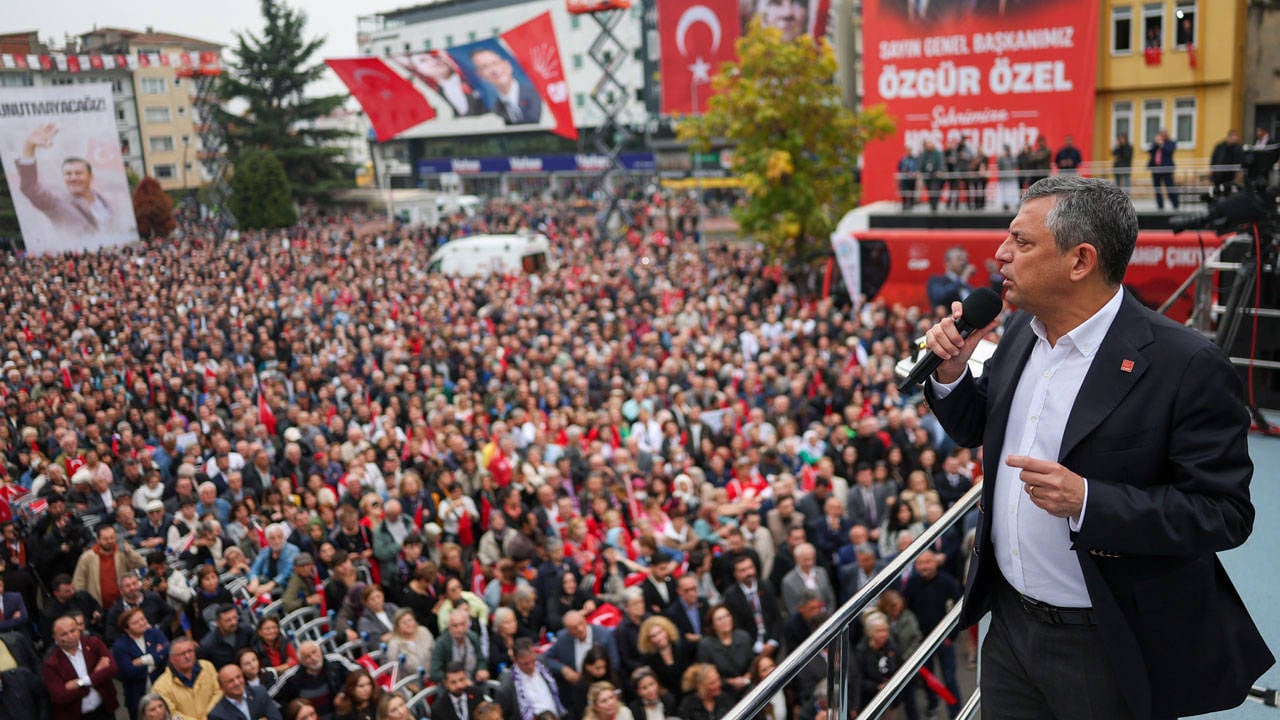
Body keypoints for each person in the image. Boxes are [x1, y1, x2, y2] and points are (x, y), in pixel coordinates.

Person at [922, 175, 1273, 719]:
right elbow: (978, 426)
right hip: (1010, 628)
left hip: (1106, 641)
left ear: (1080, 260)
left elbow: (1224, 514)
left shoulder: (1185, 365)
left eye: (1022, 241)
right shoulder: (1018, 333)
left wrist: (1090, 501)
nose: (1001, 254)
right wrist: (949, 375)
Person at [15, 123, 121, 235]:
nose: (73, 178)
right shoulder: (57, 203)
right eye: (68, 174)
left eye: (78, 173)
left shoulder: (107, 203)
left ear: (90, 177)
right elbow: (30, 187)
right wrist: (28, 147)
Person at [44, 614, 120, 720]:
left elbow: (113, 668)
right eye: (64, 634)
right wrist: (96, 674)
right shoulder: (51, 663)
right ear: (55, 637)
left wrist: (80, 682)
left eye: (73, 631)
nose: (70, 636)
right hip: (76, 715)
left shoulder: (94, 643)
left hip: (104, 710)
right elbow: (60, 695)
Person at [112, 608, 171, 720]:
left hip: (161, 687)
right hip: (137, 694)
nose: (142, 623)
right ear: (126, 629)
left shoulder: (154, 633)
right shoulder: (120, 646)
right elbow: (128, 671)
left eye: (142, 619)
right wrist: (156, 660)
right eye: (136, 622)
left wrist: (144, 660)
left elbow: (168, 651)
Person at [72, 524, 146, 609]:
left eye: (112, 538)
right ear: (98, 540)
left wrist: (129, 552)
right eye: (105, 539)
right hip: (98, 606)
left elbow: (140, 563)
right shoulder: (87, 558)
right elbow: (79, 583)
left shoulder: (122, 553)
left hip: (122, 604)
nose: (110, 541)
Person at [495, 637, 567, 720]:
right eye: (525, 664)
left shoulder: (542, 662)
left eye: (533, 660)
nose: (531, 666)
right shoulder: (507, 684)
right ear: (514, 660)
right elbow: (504, 714)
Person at [151, 636, 221, 720]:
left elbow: (219, 692)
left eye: (190, 651)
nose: (187, 656)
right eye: (182, 654)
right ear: (171, 659)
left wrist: (207, 716)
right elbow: (171, 714)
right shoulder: (160, 686)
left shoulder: (207, 666)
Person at [277, 641, 350, 720]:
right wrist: (293, 711)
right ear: (302, 662)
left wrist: (343, 692)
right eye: (307, 657)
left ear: (320, 650)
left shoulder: (335, 661)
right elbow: (270, 697)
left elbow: (358, 673)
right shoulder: (291, 676)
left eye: (314, 652)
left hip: (341, 714)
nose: (313, 658)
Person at [400, 52, 486, 117]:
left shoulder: (477, 78)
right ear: (418, 69)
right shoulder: (434, 97)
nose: (433, 61)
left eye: (436, 56)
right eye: (423, 60)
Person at [470, 48, 542, 125]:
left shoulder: (538, 93)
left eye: (495, 63)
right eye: (485, 67)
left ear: (508, 65)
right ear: (480, 75)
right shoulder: (493, 107)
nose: (494, 70)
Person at [209, 664, 284, 720]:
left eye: (238, 677)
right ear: (221, 687)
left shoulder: (260, 693)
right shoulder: (216, 715)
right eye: (230, 681)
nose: (237, 683)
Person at [1147, 128, 1179, 209]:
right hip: (1156, 168)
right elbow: (1150, 151)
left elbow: (1169, 151)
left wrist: (1161, 144)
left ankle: (1175, 203)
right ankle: (1160, 205)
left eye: (1163, 134)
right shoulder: (1156, 144)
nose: (1162, 136)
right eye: (1160, 134)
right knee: (1157, 188)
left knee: (1170, 186)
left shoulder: (1171, 143)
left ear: (1166, 135)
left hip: (1166, 169)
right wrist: (1156, 143)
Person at [1210, 129, 1244, 196]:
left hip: (1230, 174)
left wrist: (1239, 171)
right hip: (1218, 172)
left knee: (1228, 190)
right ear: (1229, 137)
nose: (1236, 138)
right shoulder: (1220, 146)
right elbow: (1214, 157)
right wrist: (1212, 168)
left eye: (1236, 137)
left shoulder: (1238, 148)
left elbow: (1240, 160)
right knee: (1216, 190)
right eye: (1234, 137)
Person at [898, 145, 919, 210]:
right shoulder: (903, 159)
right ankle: (904, 204)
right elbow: (899, 167)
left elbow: (916, 167)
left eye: (910, 150)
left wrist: (914, 173)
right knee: (904, 191)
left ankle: (911, 204)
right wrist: (904, 170)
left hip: (912, 179)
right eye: (908, 150)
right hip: (904, 179)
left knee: (912, 191)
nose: (909, 152)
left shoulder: (914, 159)